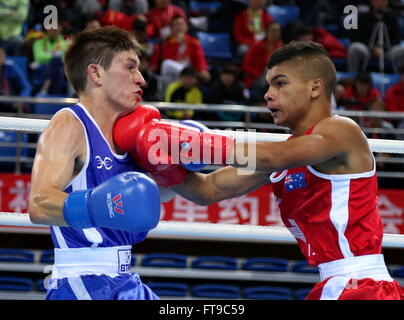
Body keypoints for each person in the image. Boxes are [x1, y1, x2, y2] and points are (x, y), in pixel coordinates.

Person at [114, 41, 404, 300]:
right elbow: (208, 190)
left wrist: (186, 142)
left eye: (280, 84)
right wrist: (163, 166)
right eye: (268, 86)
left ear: (315, 88)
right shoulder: (285, 158)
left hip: (364, 285)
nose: (268, 95)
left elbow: (272, 155)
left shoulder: (341, 131)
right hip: (334, 285)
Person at [28, 26, 164, 300]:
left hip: (125, 277)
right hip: (83, 280)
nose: (141, 80)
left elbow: (141, 204)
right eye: (130, 68)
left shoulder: (130, 136)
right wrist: (97, 205)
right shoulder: (69, 124)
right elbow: (39, 205)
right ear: (96, 73)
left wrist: (178, 166)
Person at [346, 0, 404, 73]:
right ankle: (352, 76)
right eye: (377, 0)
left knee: (402, 49)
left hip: (387, 50)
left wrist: (383, 49)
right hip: (368, 50)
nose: (380, 2)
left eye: (383, 1)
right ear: (372, 1)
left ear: (386, 2)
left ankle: (402, 79)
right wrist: (372, 49)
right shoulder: (363, 17)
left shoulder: (391, 18)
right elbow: (356, 37)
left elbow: (396, 39)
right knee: (354, 47)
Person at [0, 46, 31, 113]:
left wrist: (20, 100)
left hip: (12, 103)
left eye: (1, 54)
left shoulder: (11, 66)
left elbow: (26, 87)